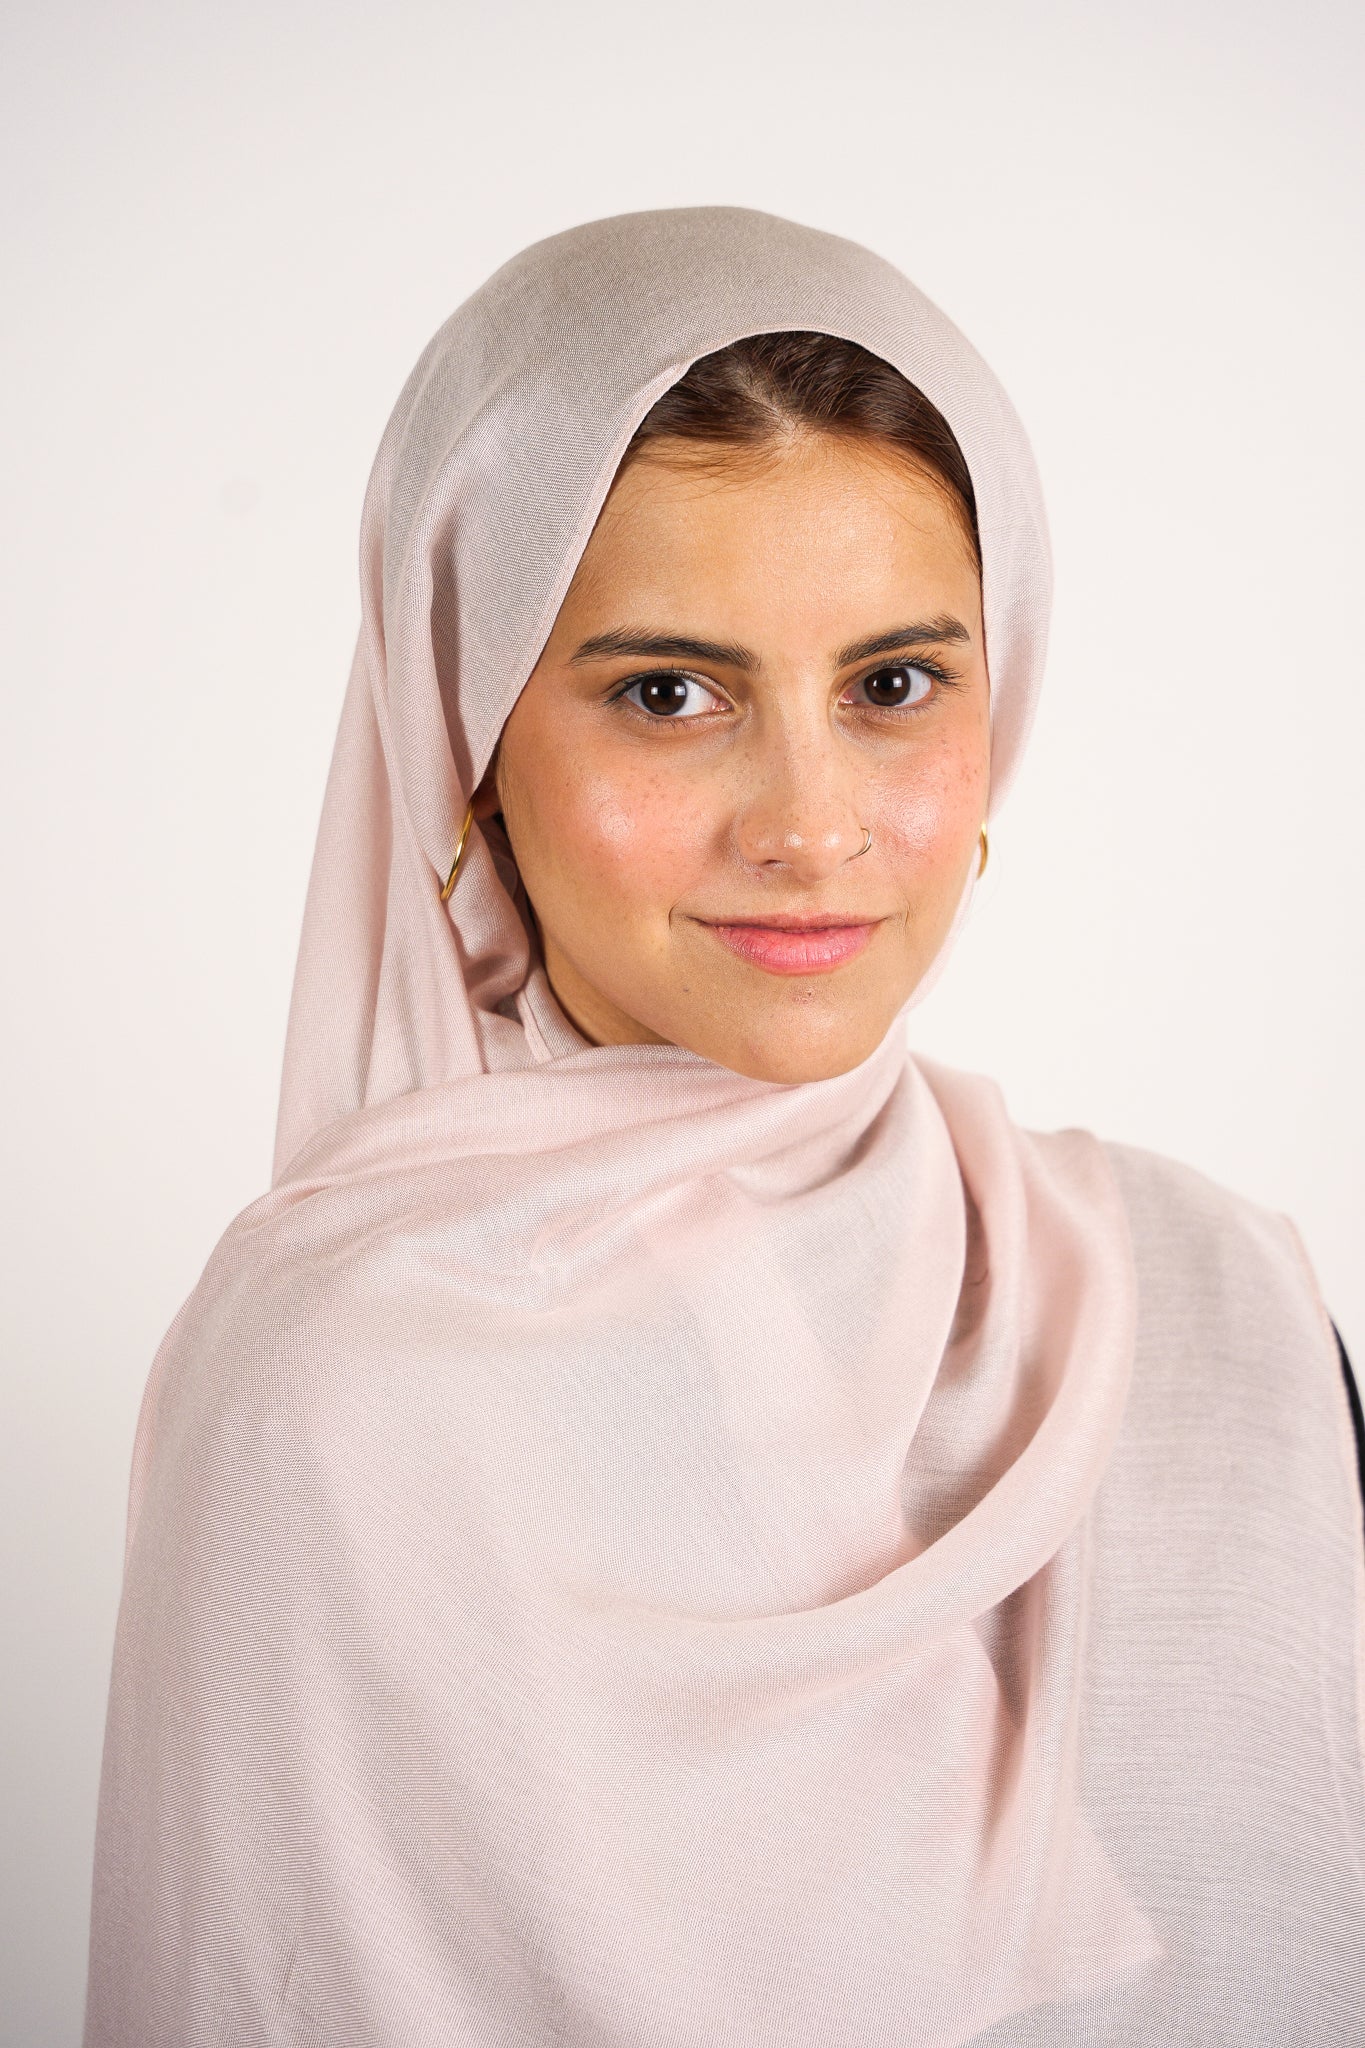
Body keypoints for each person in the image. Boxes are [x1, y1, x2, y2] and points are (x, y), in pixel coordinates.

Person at [83, 208, 1365, 2046]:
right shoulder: (334, 1391)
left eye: (892, 685)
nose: (808, 825)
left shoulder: (1216, 1310)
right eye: (669, 695)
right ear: (467, 746)